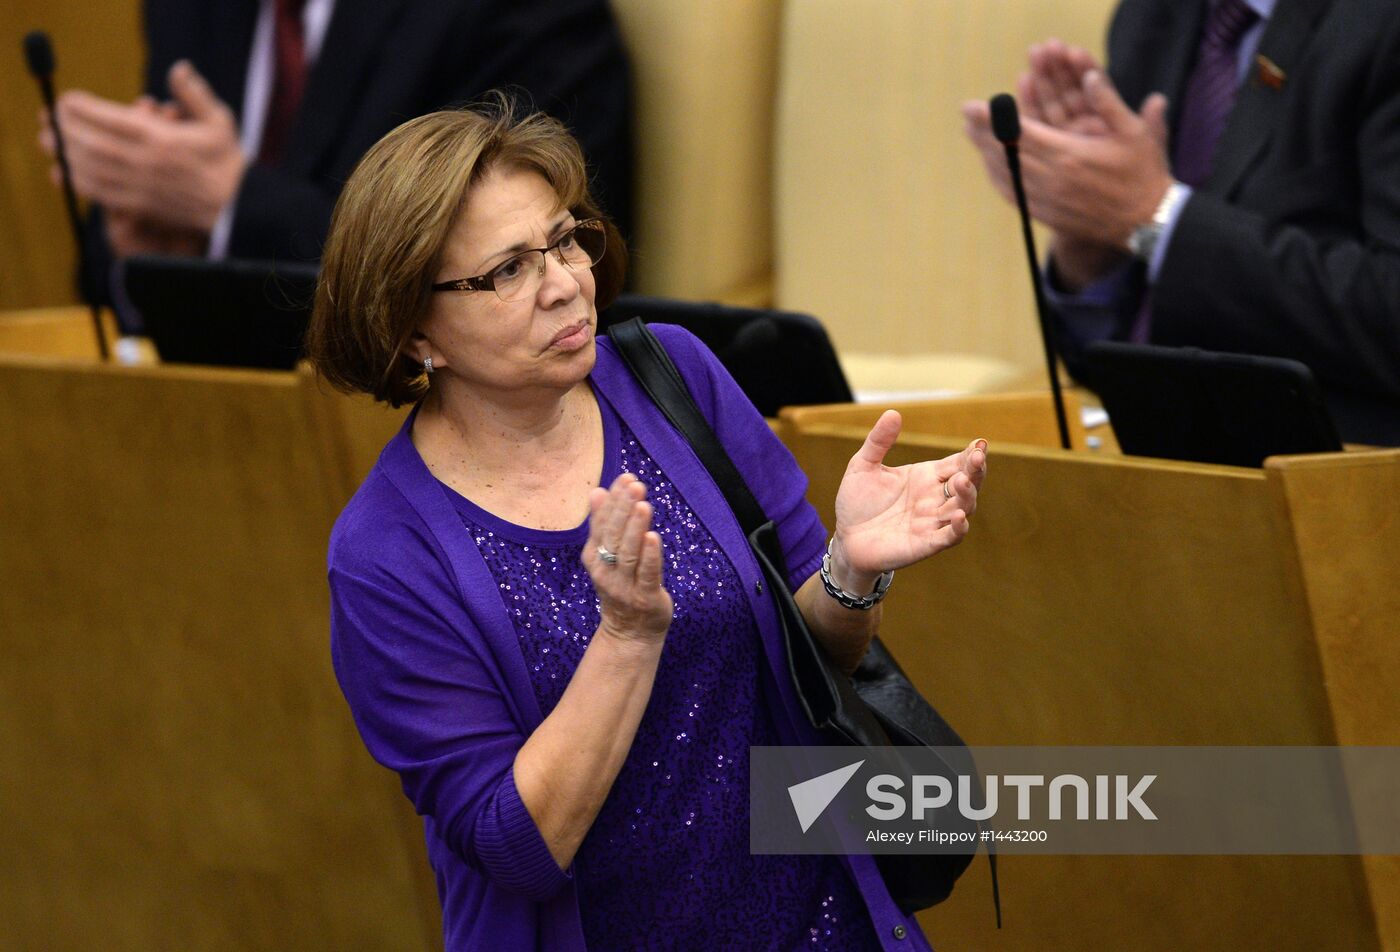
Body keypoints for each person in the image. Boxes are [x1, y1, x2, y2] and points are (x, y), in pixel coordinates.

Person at [306, 100, 988, 951]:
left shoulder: (676, 377)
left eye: (563, 240)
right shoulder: (386, 554)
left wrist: (851, 571)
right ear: (415, 336)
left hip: (828, 925)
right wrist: (625, 636)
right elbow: (516, 846)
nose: (564, 282)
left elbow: (814, 666)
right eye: (508, 270)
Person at [961, 0, 1400, 445]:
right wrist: (1090, 236)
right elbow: (1109, 354)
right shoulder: (1154, 15)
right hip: (1158, 466)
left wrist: (1155, 217)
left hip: (1348, 482)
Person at [37, 0, 632, 295]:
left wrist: (232, 208)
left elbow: (507, 259)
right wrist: (150, 255)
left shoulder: (520, 10)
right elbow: (102, 284)